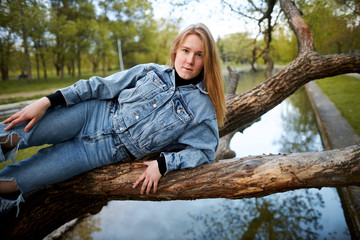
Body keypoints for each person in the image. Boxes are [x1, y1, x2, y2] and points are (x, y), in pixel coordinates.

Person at [0, 23, 226, 214]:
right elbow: (101, 86)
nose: (190, 60)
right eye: (186, 51)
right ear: (176, 51)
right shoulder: (151, 71)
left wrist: (164, 164)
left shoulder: (202, 109)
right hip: (89, 113)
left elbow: (205, 151)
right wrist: (47, 101)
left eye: (199, 55)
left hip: (100, 153)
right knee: (8, 136)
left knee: (11, 185)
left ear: (207, 61)